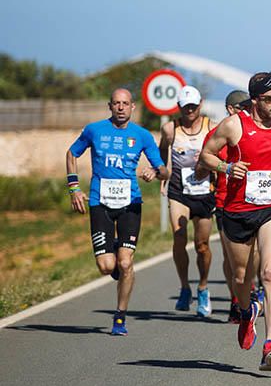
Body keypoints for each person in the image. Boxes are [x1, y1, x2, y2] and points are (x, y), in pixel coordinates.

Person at [200, 72, 271, 372]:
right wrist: (226, 166)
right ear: (255, 100)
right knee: (241, 275)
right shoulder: (234, 125)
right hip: (237, 209)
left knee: (270, 272)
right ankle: (247, 312)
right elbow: (206, 155)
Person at [66, 88, 168, 335]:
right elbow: (72, 153)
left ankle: (120, 317)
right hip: (99, 203)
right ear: (109, 106)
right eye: (116, 104)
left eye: (125, 104)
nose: (121, 108)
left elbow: (165, 171)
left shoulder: (142, 136)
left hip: (130, 204)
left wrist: (154, 173)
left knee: (125, 263)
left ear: (133, 107)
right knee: (106, 265)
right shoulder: (94, 130)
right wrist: (74, 188)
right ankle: (113, 248)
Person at [158, 85, 216, 316]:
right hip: (179, 190)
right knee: (179, 237)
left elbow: (222, 152)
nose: (190, 111)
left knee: (202, 246)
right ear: (179, 107)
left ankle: (203, 287)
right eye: (185, 107)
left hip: (204, 192)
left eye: (193, 106)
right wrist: (162, 172)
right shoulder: (170, 129)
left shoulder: (211, 127)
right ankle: (184, 287)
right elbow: (161, 150)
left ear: (200, 104)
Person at [198, 90, 252, 323]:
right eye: (243, 107)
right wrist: (224, 167)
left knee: (255, 256)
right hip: (225, 202)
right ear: (231, 109)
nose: (249, 111)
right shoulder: (217, 133)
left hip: (254, 201)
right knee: (231, 258)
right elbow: (203, 163)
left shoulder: (253, 130)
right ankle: (236, 301)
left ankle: (250, 293)